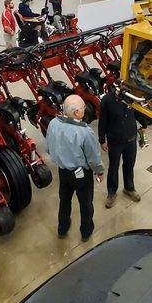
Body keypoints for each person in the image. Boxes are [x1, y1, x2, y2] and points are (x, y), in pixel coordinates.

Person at [45, 95, 104, 242]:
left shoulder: (53, 124)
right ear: (77, 113)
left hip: (63, 172)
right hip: (81, 176)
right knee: (85, 204)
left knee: (64, 201)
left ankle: (62, 228)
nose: (85, 110)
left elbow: (48, 148)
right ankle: (86, 232)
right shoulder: (84, 132)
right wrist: (99, 170)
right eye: (83, 108)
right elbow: (93, 157)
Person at [98, 86, 142, 209]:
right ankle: (111, 192)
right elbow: (103, 121)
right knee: (113, 166)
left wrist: (144, 125)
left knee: (129, 164)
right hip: (115, 140)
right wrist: (102, 140)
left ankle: (129, 188)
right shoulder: (107, 100)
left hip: (131, 139)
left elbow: (139, 111)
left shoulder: (132, 98)